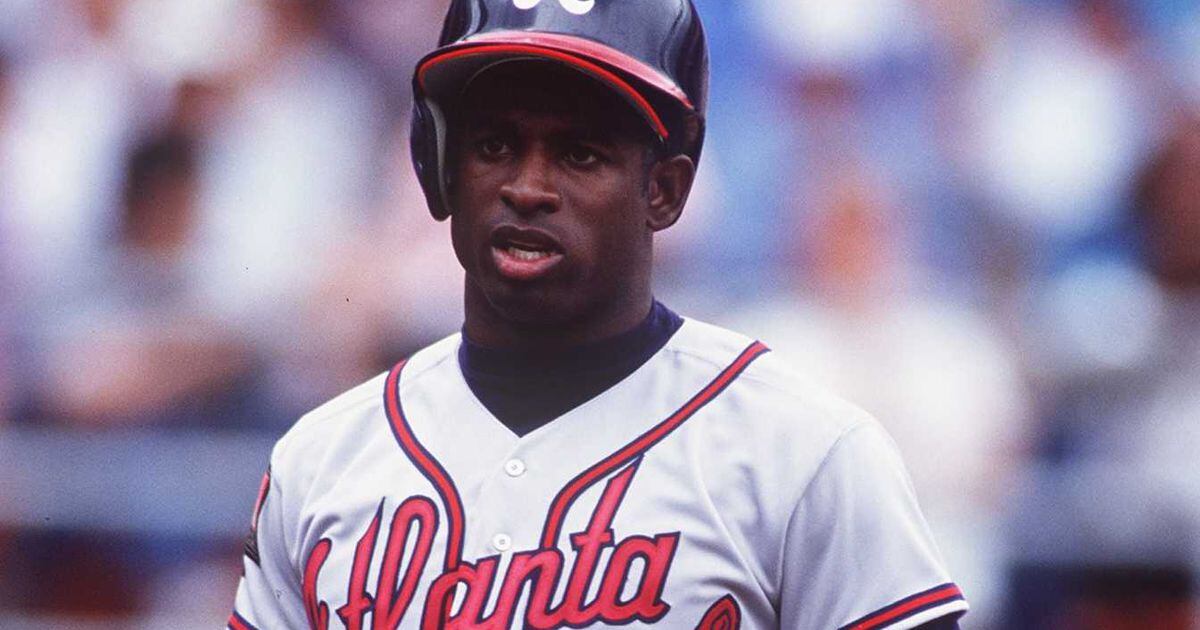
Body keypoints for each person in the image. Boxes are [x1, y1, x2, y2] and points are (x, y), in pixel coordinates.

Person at [229, 1, 968, 628]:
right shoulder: (322, 461)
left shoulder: (802, 453)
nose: (528, 186)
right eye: (494, 144)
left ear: (665, 191)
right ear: (440, 167)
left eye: (580, 154)